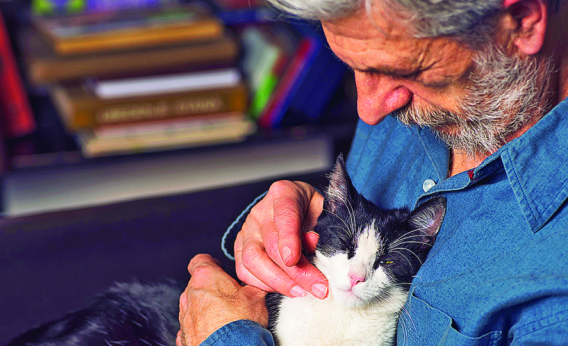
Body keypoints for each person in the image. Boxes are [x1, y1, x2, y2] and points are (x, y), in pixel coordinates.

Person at [177, 0, 568, 344]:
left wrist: (225, 338)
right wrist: (297, 214)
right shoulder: (394, 87)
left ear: (522, 21)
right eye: (353, 68)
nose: (368, 111)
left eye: (403, 71)